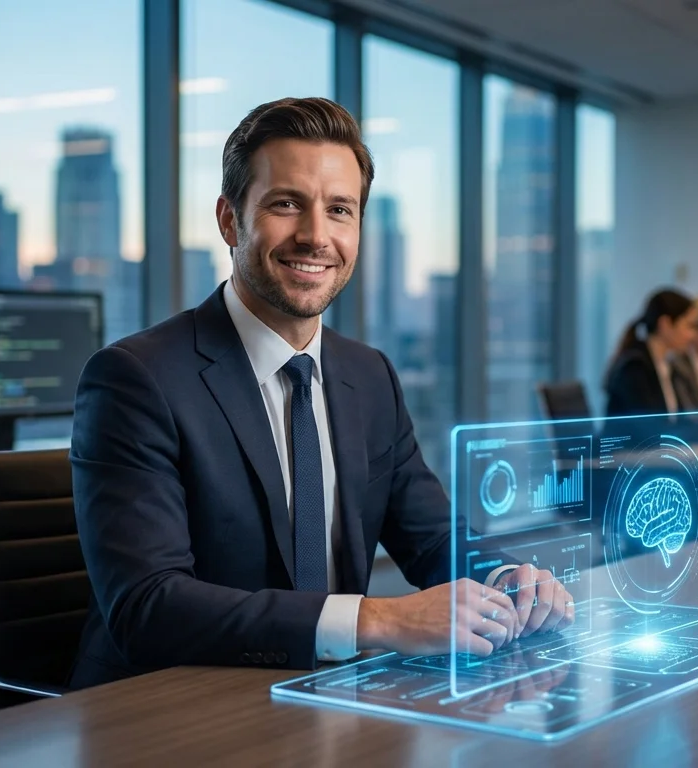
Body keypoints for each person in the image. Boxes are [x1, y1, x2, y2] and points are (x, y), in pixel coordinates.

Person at [67, 97, 573, 688]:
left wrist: (507, 577)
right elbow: (146, 607)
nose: (315, 237)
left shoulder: (369, 376)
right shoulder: (137, 377)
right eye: (286, 204)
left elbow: (433, 537)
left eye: (340, 210)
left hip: (325, 699)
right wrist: (378, 619)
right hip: (167, 708)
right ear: (230, 220)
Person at [604, 289, 698, 418]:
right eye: (689, 326)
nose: (692, 336)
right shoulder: (635, 368)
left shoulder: (666, 365)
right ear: (665, 324)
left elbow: (679, 421)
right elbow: (648, 428)